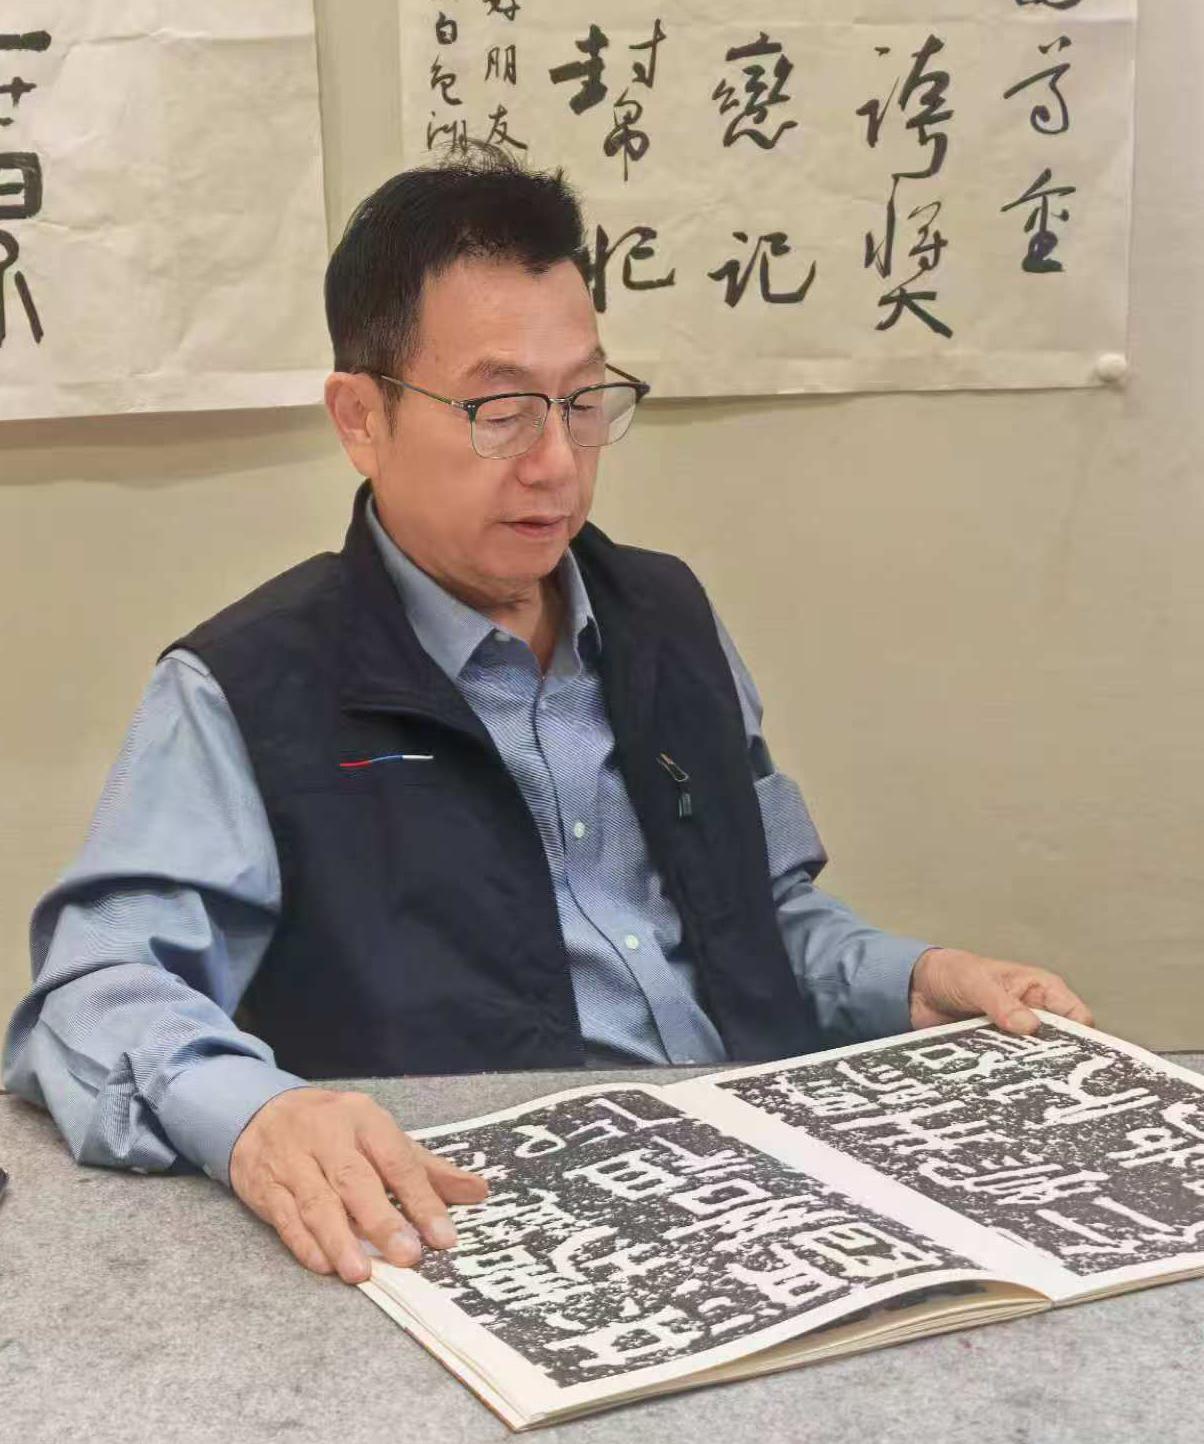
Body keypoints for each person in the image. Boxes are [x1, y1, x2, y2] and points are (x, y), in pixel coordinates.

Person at [3, 149, 1094, 1287]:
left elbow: (760, 916)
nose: (557, 463)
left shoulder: (664, 616)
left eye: (582, 403)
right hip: (487, 1232)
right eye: (502, 411)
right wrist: (259, 1118)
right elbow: (88, 995)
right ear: (361, 418)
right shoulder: (247, 685)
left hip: (765, 1196)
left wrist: (914, 979)